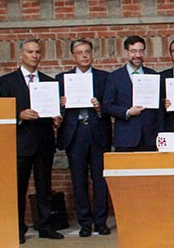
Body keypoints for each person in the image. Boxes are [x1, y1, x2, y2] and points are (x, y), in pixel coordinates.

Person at [0, 39, 63, 243]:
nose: (34, 56)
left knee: (44, 187)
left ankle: (45, 226)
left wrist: (56, 117)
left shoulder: (48, 81)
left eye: (37, 52)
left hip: (44, 142)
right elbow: (0, 113)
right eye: (30, 52)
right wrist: (19, 115)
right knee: (19, 187)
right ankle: (17, 229)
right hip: (20, 143)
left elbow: (53, 111)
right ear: (21, 55)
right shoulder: (7, 81)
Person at [55, 39, 111, 237]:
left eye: (87, 51)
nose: (84, 55)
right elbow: (54, 111)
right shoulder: (62, 79)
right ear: (73, 56)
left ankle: (101, 222)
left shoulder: (104, 78)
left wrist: (100, 107)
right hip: (75, 132)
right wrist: (61, 104)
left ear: (92, 54)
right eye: (80, 52)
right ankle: (85, 222)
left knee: (100, 180)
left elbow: (110, 105)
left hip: (97, 132)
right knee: (78, 180)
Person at [103, 36, 163, 152]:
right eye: (133, 51)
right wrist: (127, 112)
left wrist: (160, 134)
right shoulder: (114, 77)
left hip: (150, 138)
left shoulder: (153, 75)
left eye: (141, 51)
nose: (138, 55)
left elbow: (159, 110)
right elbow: (107, 106)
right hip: (126, 138)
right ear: (126, 53)